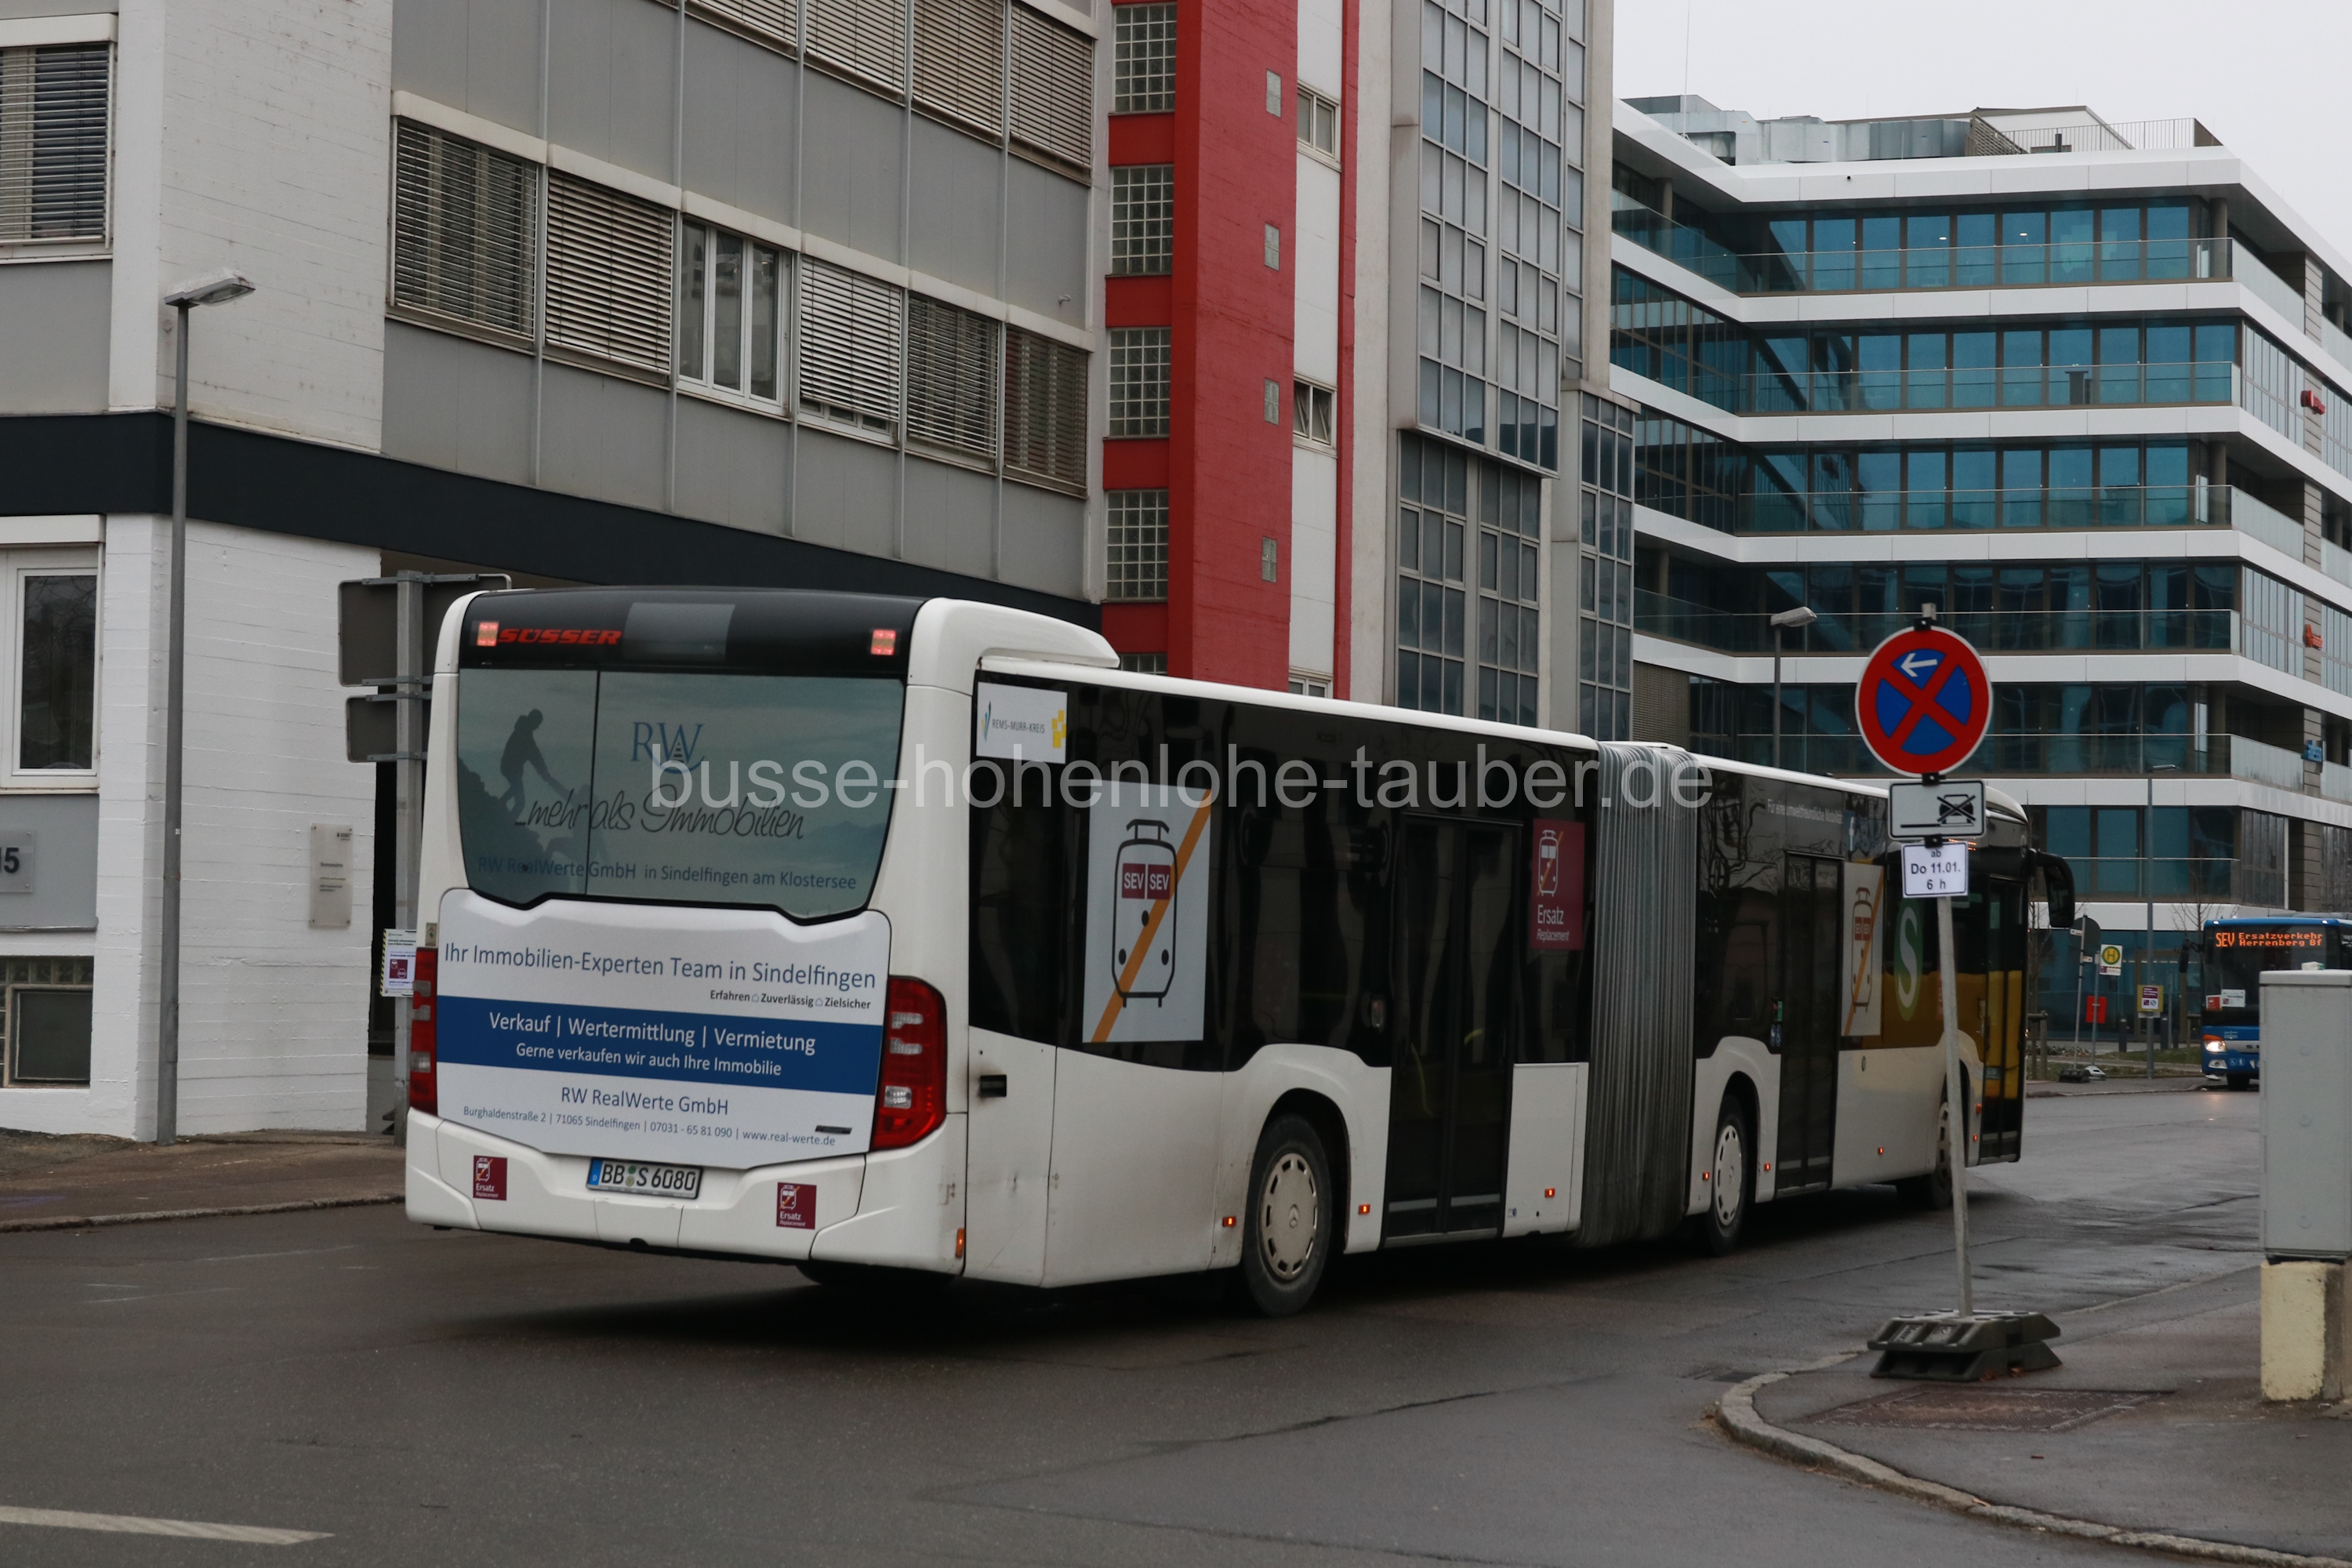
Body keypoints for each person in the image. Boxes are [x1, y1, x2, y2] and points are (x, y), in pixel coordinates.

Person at [499, 710, 563, 815]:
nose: (537, 727)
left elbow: (535, 755)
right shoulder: (525, 736)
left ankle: (501, 806)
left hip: (510, 768)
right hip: (512, 769)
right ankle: (505, 817)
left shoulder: (523, 732)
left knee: (516, 793)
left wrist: (543, 772)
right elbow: (535, 756)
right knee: (520, 802)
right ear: (533, 721)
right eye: (537, 724)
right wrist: (543, 772)